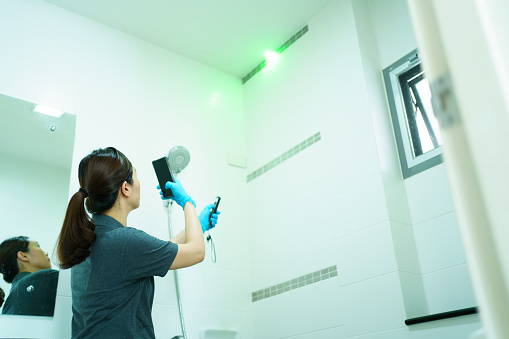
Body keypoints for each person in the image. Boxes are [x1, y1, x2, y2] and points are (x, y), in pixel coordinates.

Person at [57, 147, 220, 339]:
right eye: (136, 177)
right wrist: (187, 202)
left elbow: (156, 251)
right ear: (125, 188)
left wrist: (198, 226)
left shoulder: (88, 240)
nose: (140, 184)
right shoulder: (124, 242)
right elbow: (196, 252)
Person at [0, 236, 59, 316]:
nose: (46, 253)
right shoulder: (47, 277)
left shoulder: (7, 305)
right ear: (23, 256)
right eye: (38, 246)